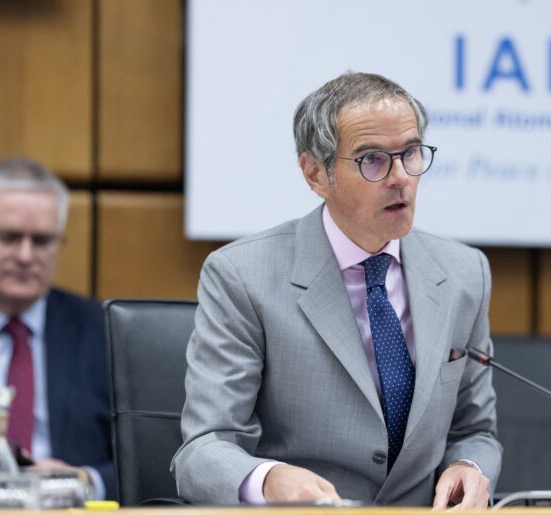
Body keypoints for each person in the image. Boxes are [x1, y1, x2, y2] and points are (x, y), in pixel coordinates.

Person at [172, 72, 501, 508]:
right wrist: (268, 481)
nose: (401, 177)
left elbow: (474, 431)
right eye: (372, 160)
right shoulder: (242, 276)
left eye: (410, 153)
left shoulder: (464, 273)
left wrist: (468, 466)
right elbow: (203, 449)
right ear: (315, 173)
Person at [0, 157, 114, 499]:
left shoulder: (104, 331)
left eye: (41, 241)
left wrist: (85, 481)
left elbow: (149, 458)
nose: (25, 256)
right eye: (9, 237)